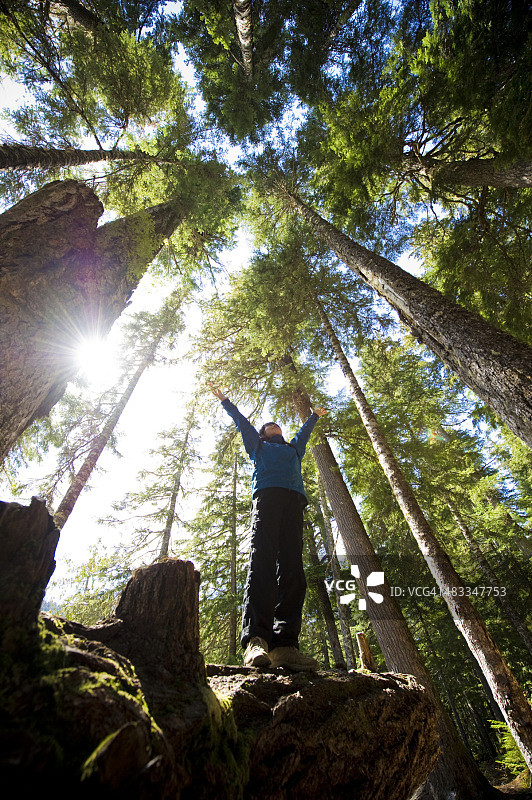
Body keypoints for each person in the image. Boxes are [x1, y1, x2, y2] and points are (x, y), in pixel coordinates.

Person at [210, 385, 327, 671]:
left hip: (294, 502)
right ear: (263, 435)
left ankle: (285, 646)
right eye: (269, 425)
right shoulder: (258, 447)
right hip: (267, 497)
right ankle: (256, 640)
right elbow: (243, 424)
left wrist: (314, 416)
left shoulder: (293, 449)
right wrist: (226, 401)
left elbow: (304, 434)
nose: (274, 425)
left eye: (277, 424)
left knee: (292, 569)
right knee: (262, 560)